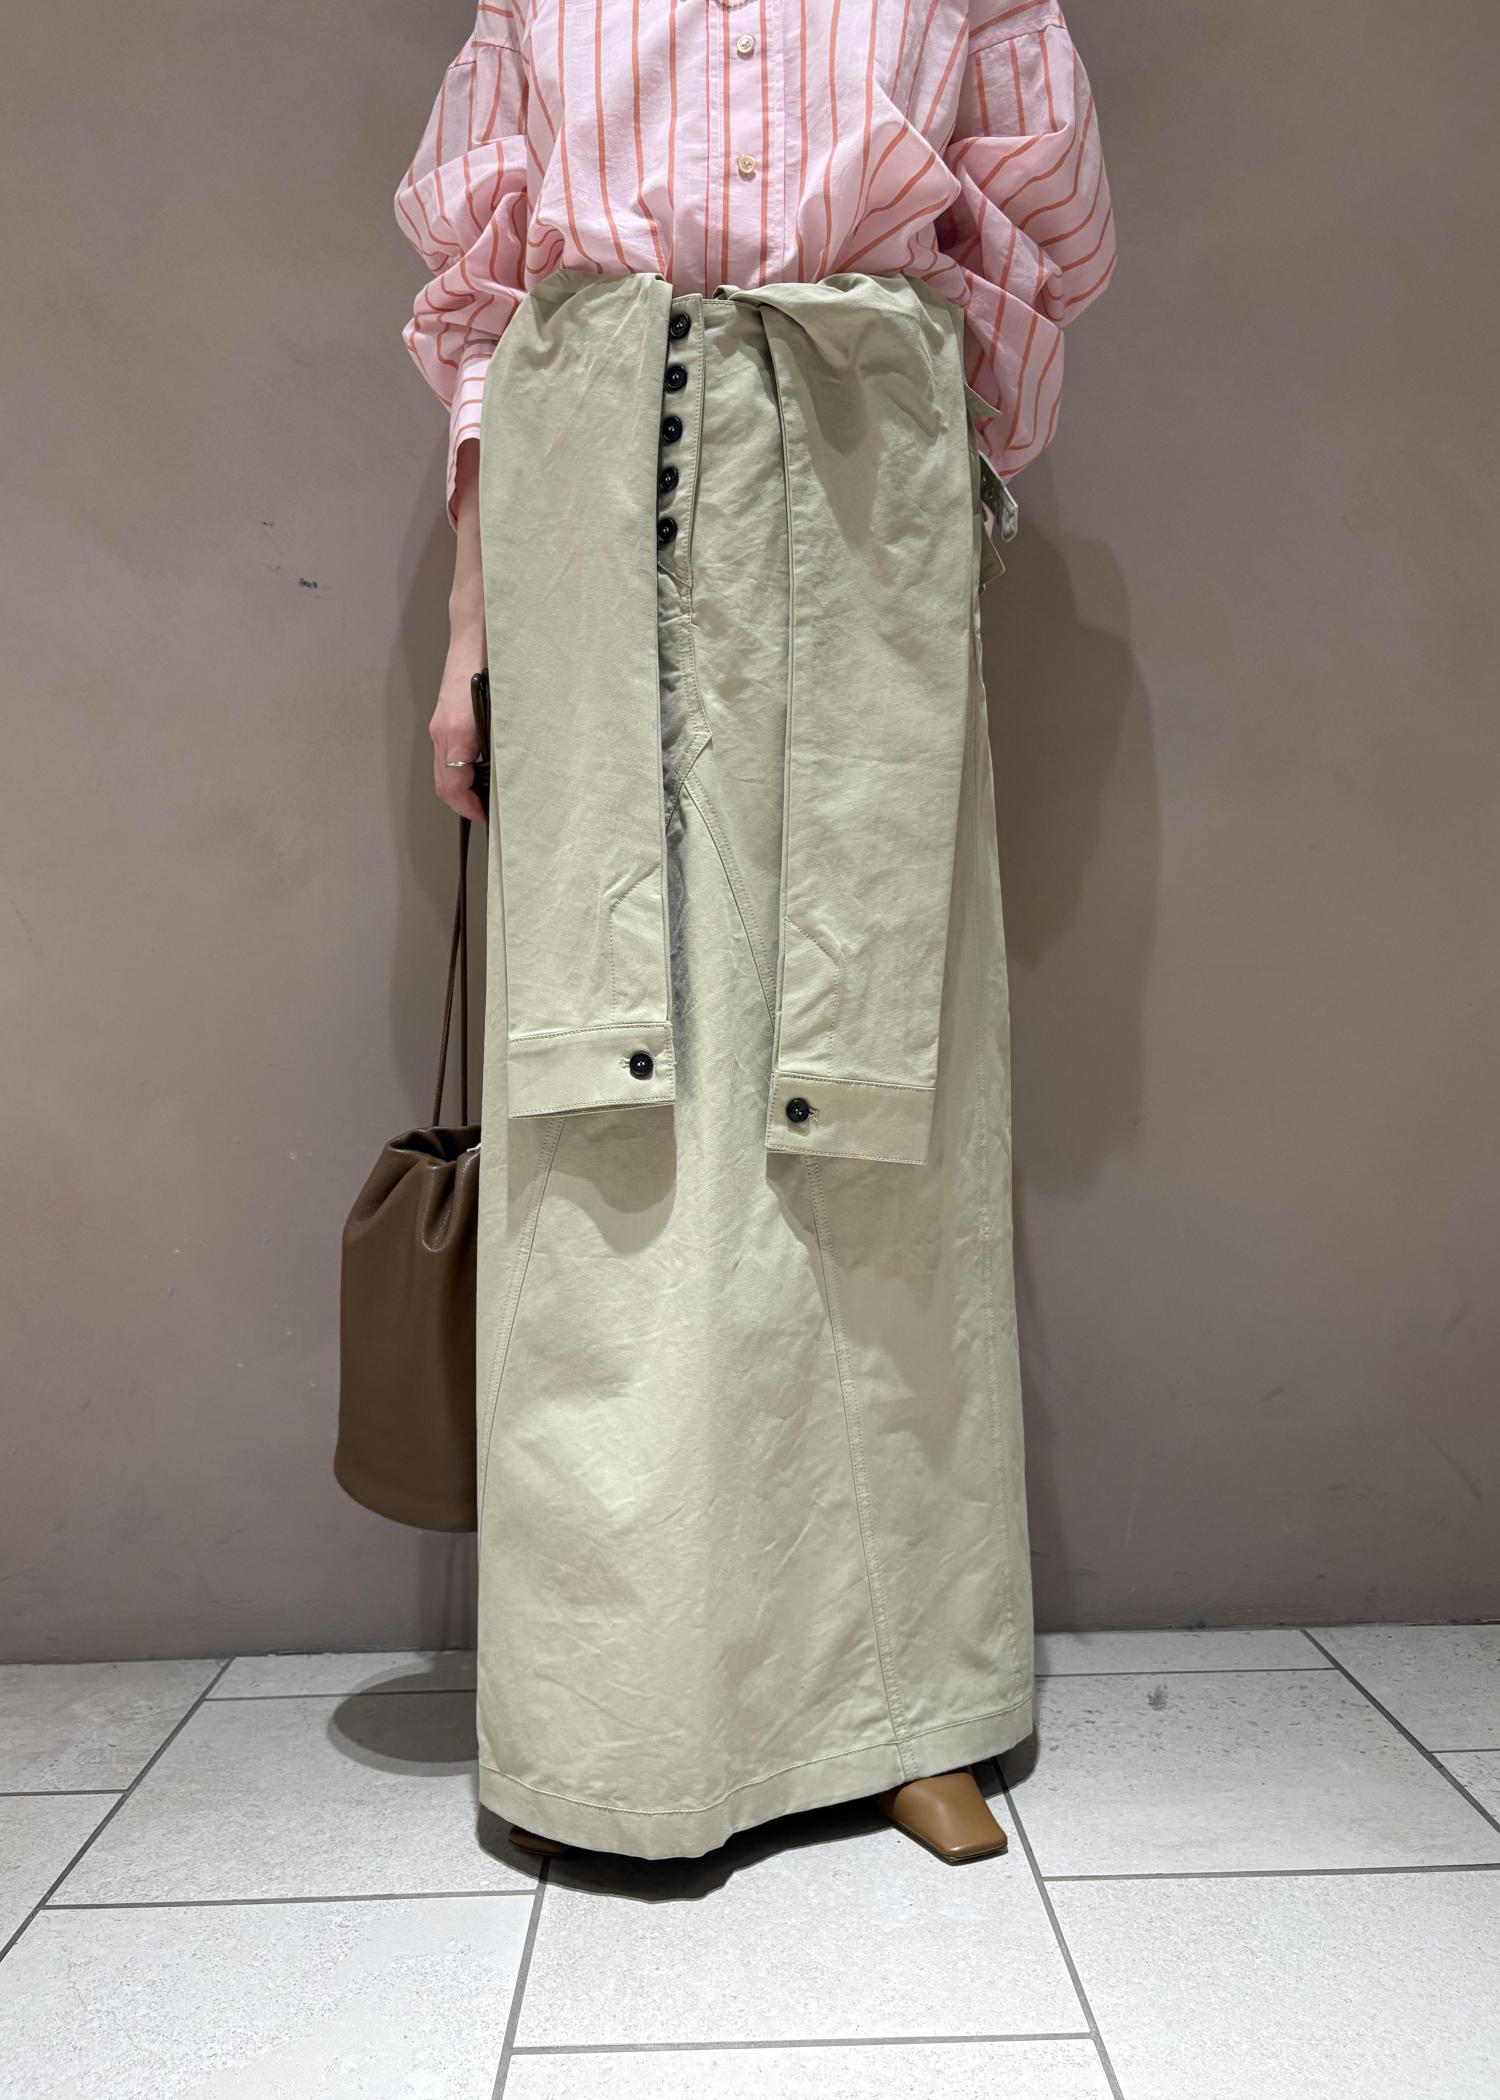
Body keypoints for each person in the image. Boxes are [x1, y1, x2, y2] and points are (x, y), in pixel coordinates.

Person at [393, 0, 1115, 1866]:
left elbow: (1041, 227)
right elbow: (484, 281)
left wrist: (918, 451)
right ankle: (622, 1718)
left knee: (866, 1089)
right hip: (581, 478)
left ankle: (908, 1703)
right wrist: (472, 622)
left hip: (862, 477)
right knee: (612, 1105)